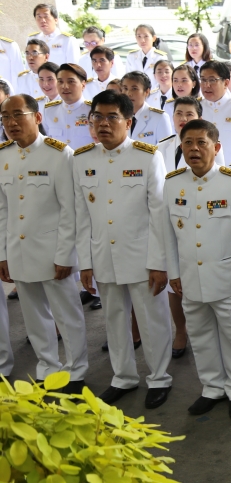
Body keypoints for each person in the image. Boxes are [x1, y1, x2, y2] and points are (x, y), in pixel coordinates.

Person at [73, 90, 173, 408]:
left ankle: (159, 378)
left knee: (151, 319)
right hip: (104, 255)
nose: (103, 124)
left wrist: (159, 262)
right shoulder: (83, 159)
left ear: (128, 122)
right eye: (97, 117)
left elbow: (159, 214)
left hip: (142, 257)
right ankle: (123, 377)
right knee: (114, 319)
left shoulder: (147, 156)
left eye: (111, 117)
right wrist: (85, 263)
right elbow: (82, 217)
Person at [161, 118, 231, 418]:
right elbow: (167, 235)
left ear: (216, 147)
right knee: (200, 336)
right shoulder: (173, 183)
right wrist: (173, 273)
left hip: (228, 278)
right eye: (188, 143)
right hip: (189, 278)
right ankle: (212, 387)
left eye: (201, 143)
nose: (194, 149)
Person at [0, 94, 88, 392]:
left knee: (68, 315)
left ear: (37, 117)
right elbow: (2, 210)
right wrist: (3, 254)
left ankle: (76, 372)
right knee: (33, 316)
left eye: (17, 115)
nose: (10, 123)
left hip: (54, 252)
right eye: (5, 117)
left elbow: (70, 208)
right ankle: (47, 367)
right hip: (19, 252)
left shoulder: (59, 154)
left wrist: (65, 254)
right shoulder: (3, 155)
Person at [41, 63, 93, 149]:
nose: (64, 86)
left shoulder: (92, 110)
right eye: (60, 82)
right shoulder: (49, 110)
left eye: (71, 81)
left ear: (83, 85)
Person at [120, 71, 174, 147]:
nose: (129, 93)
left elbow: (166, 151)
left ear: (147, 92)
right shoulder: (119, 116)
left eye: (134, 89)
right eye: (125, 88)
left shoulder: (160, 117)